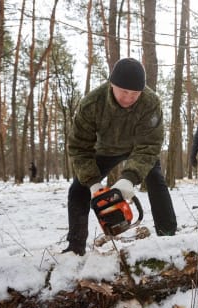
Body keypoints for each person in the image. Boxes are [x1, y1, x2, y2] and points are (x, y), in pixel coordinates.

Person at [63, 58, 177, 256]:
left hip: (138, 149)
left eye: (135, 93)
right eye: (124, 91)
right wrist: (93, 183)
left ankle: (168, 235)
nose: (129, 97)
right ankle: (75, 246)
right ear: (112, 85)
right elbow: (79, 146)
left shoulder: (150, 102)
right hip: (104, 150)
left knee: (156, 180)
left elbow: (150, 145)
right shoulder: (91, 103)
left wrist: (129, 177)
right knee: (77, 190)